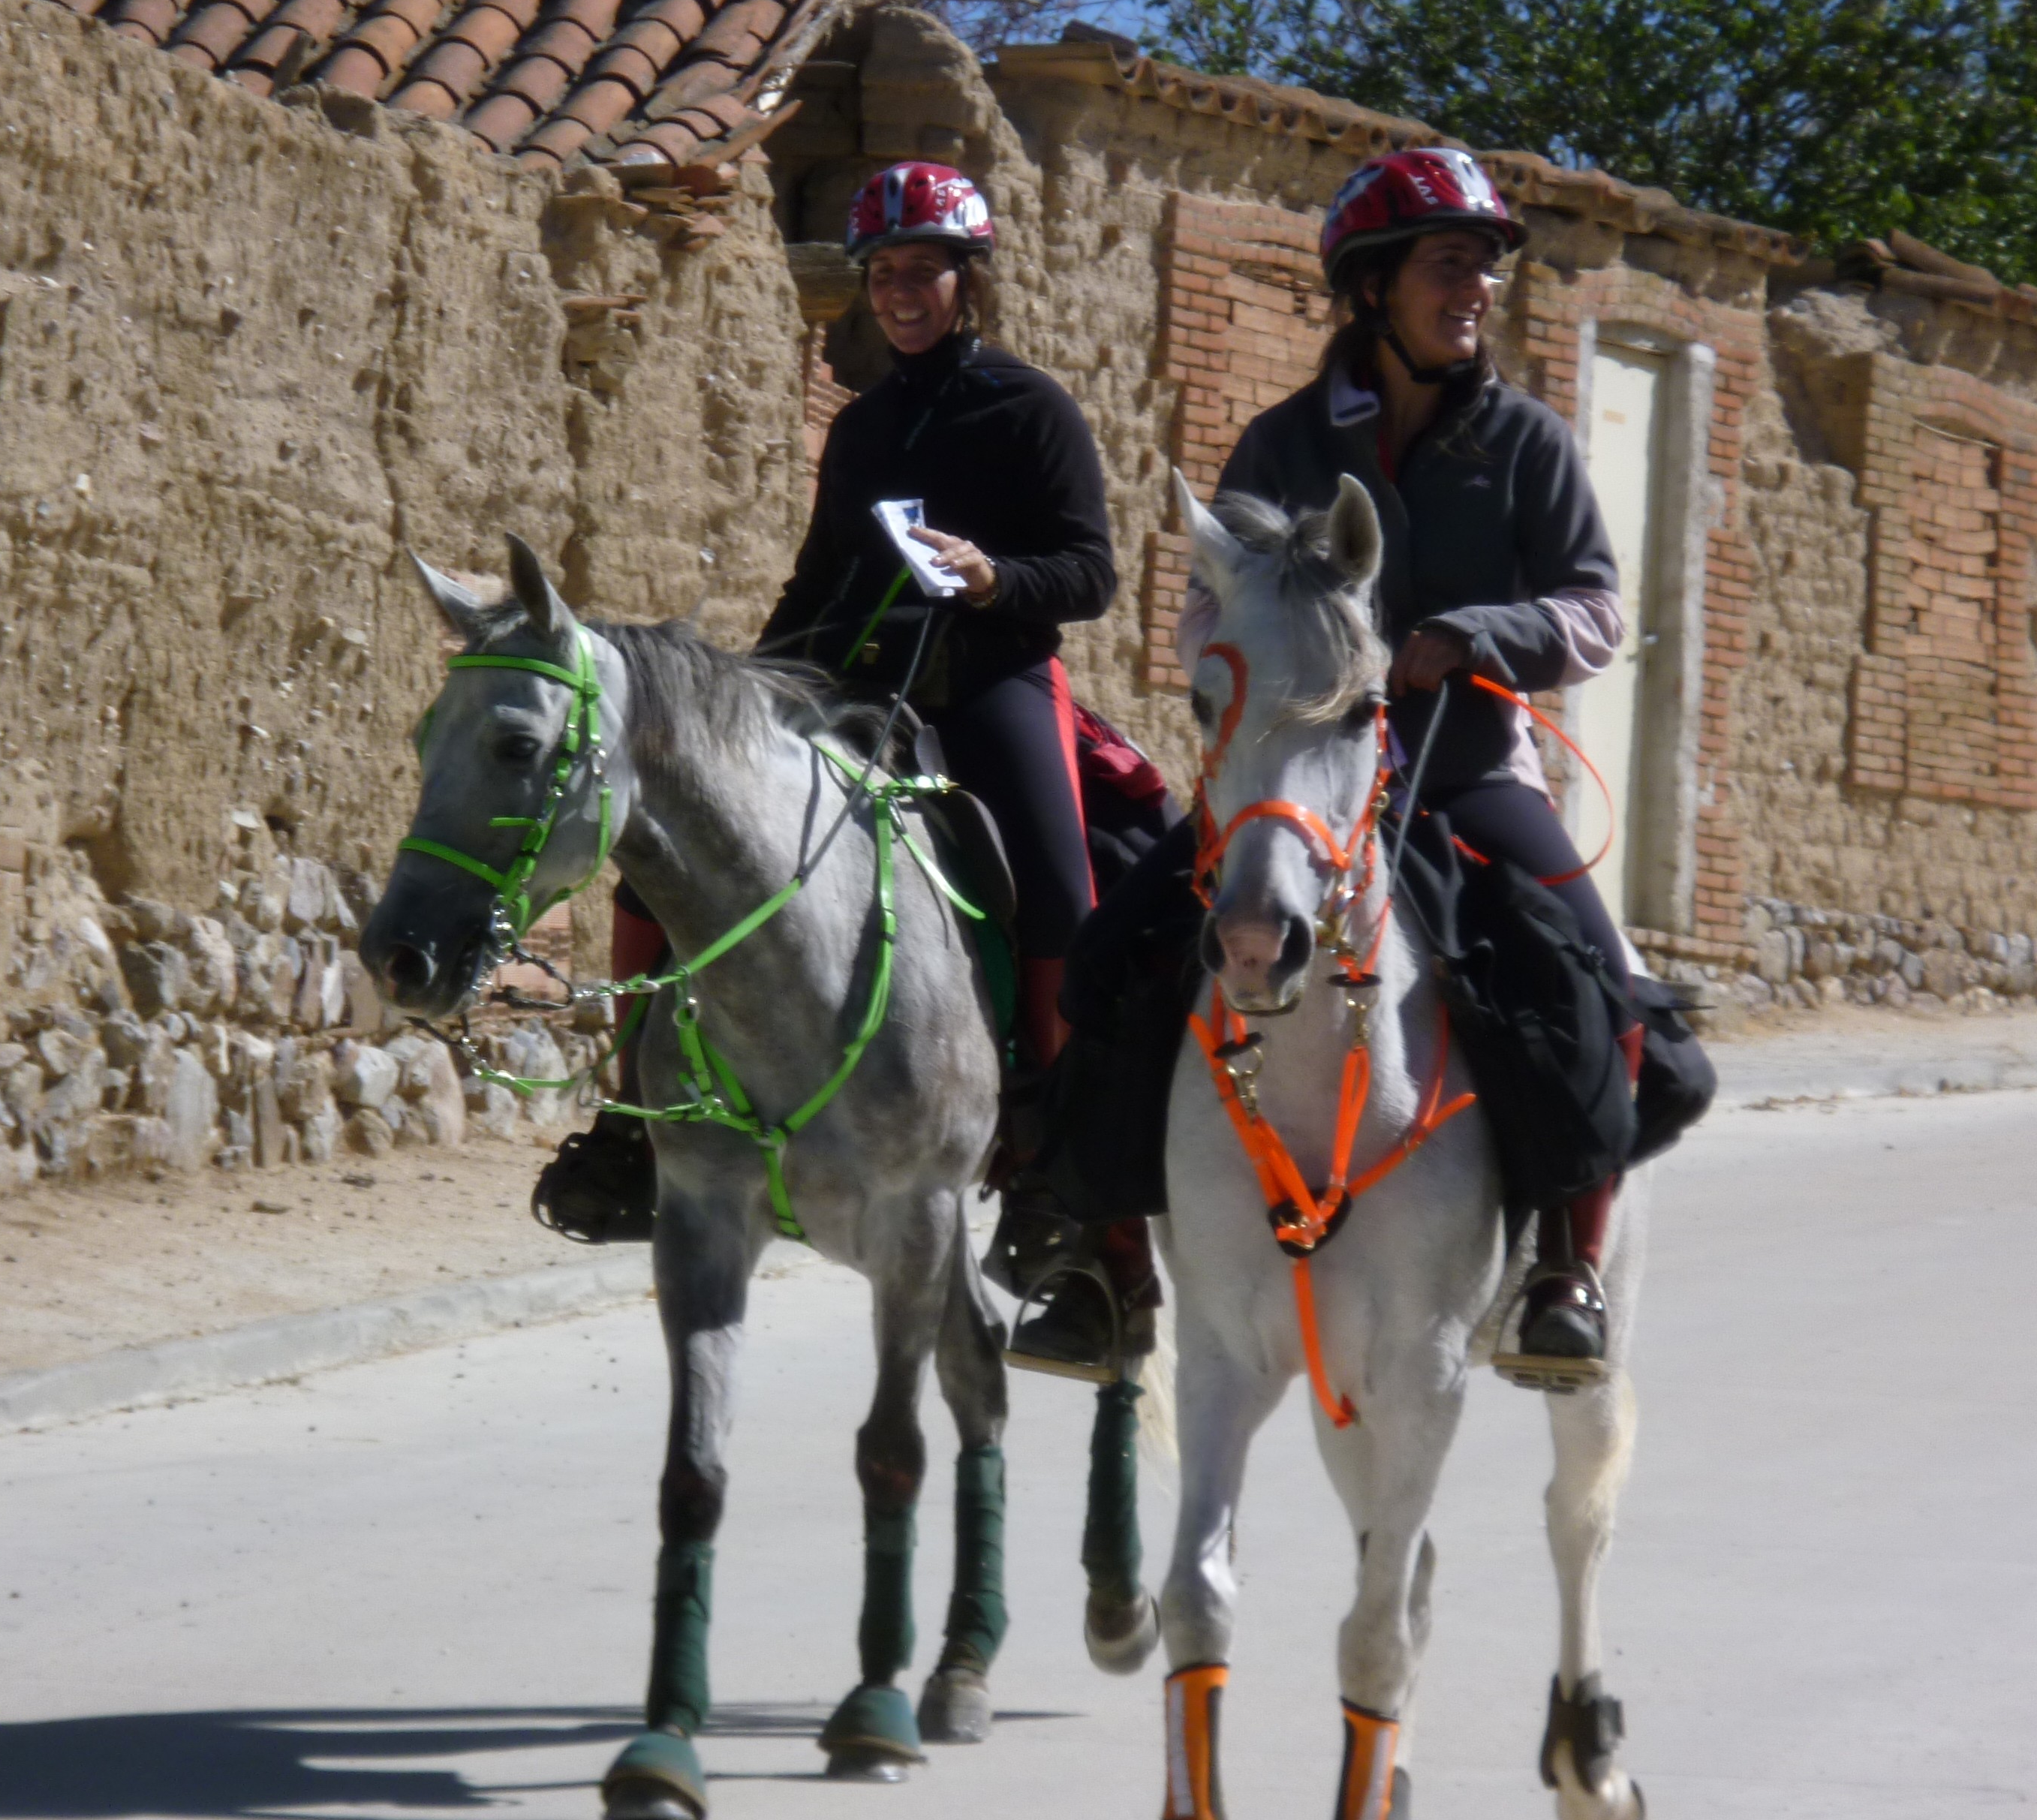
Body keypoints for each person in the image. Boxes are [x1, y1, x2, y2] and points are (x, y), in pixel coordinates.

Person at [537, 161, 1153, 1378]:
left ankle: (1066, 1195)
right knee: (668, 856)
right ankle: (630, 1120)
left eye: (923, 270)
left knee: (1061, 893)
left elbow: (1089, 572)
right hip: (858, 690)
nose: (902, 294)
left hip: (994, 684)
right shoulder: (865, 426)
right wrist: (745, 691)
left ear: (968, 281)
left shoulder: (1033, 411)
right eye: (883, 275)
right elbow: (820, 582)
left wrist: (994, 579)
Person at [1219, 145, 1638, 1377]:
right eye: (1450, 264)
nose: (1478, 289)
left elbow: (1598, 616)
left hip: (1466, 778)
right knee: (1130, 951)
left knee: (1595, 983)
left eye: (1486, 269)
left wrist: (1479, 635)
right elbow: (1214, 605)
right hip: (1300, 793)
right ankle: (1099, 1246)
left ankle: (1566, 1266)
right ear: (1374, 287)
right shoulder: (1282, 444)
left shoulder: (1527, 443)